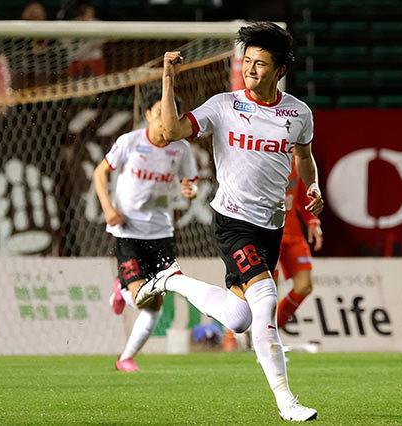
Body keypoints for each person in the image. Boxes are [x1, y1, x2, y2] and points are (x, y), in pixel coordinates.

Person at [135, 22, 323, 421]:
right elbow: (170, 131)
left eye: (260, 63)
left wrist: (313, 187)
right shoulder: (224, 105)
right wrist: (168, 79)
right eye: (247, 61)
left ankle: (171, 279)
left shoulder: (298, 113)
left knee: (239, 318)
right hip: (233, 221)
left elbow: (304, 157)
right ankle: (286, 401)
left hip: (271, 227)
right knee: (266, 298)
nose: (251, 69)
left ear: (279, 70)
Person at [93, 96, 198, 372]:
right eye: (160, 112)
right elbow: (99, 173)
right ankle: (122, 289)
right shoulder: (130, 142)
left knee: (155, 304)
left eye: (170, 113)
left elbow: (191, 183)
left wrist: (191, 190)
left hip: (161, 232)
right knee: (142, 297)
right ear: (149, 114)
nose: (165, 119)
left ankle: (126, 358)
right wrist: (108, 209)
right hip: (128, 230)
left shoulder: (182, 148)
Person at [276, 159, 323, 329]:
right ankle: (240, 334)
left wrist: (312, 220)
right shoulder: (263, 156)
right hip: (268, 232)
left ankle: (271, 331)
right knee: (265, 291)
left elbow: (302, 193)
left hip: (293, 233)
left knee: (304, 286)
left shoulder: (298, 159)